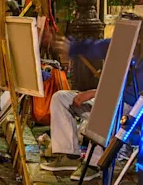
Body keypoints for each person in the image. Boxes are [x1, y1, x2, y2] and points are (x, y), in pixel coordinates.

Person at [40, 29, 143, 181]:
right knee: (60, 98)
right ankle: (69, 154)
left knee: (107, 107)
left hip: (130, 111)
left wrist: (95, 92)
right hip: (109, 99)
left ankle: (93, 164)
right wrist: (68, 46)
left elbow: (131, 96)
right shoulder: (123, 44)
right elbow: (94, 47)